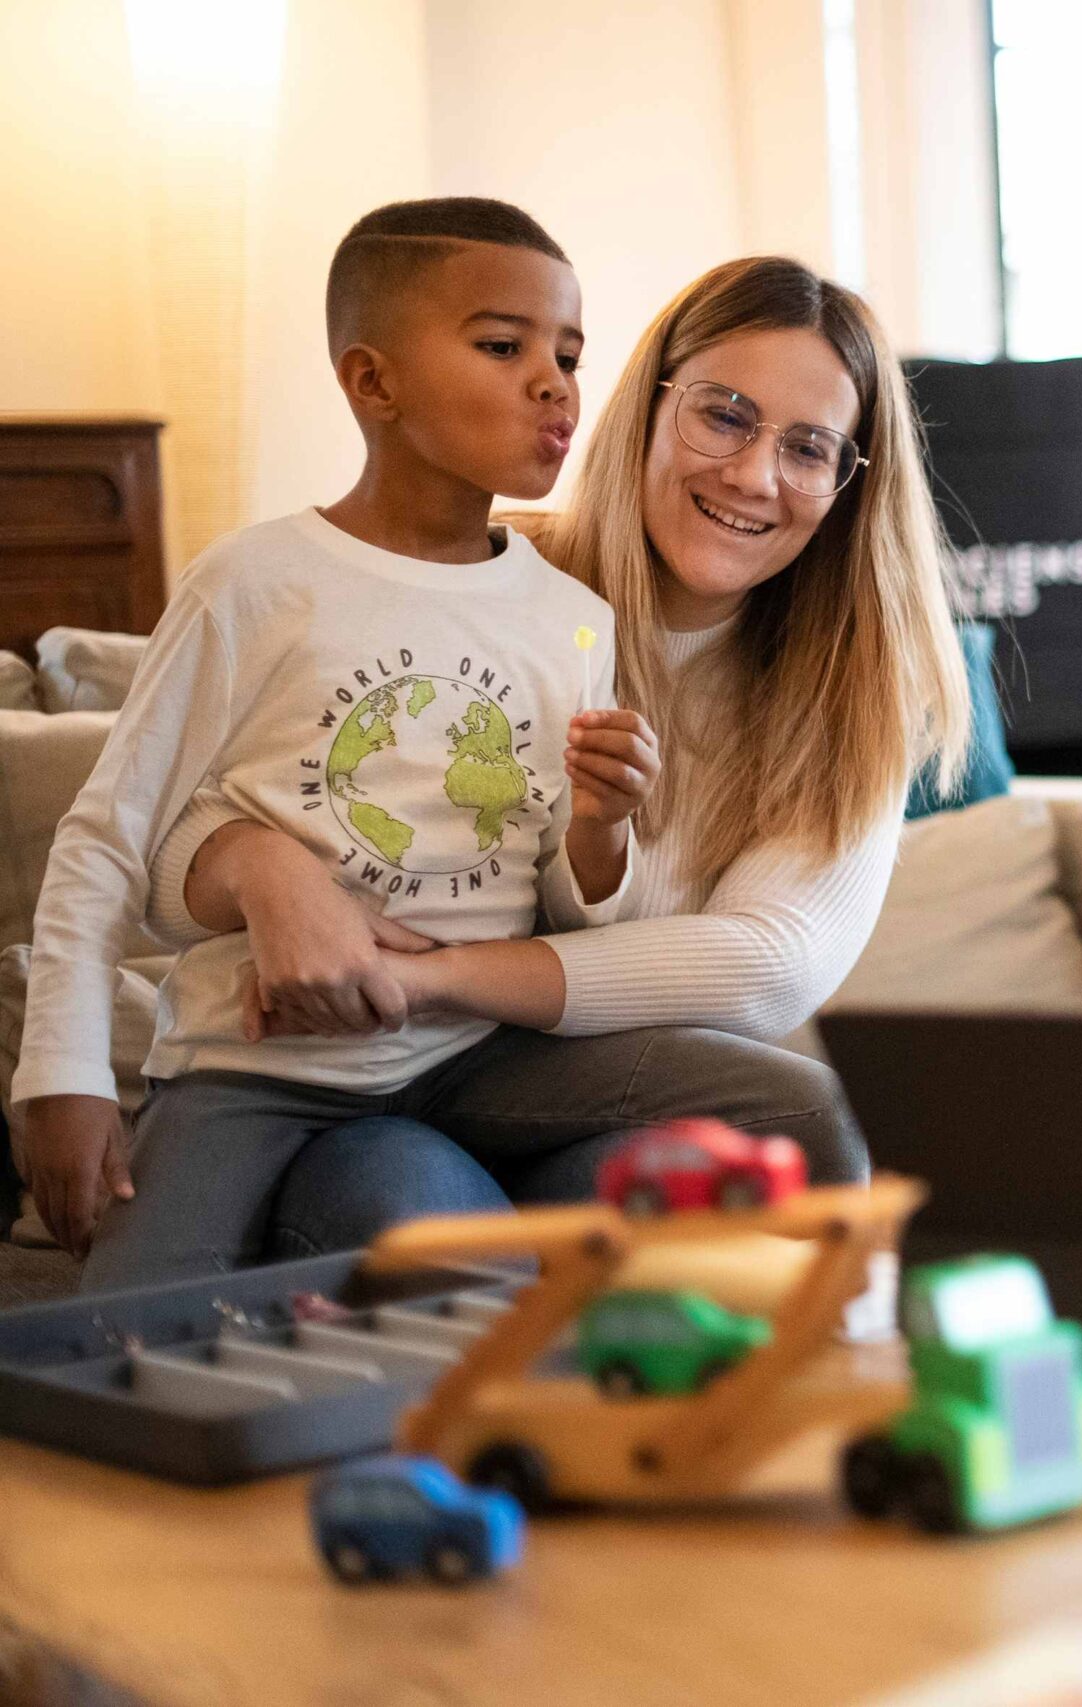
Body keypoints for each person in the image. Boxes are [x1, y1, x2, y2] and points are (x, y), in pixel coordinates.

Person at [152, 253, 974, 1261]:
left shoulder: (848, 694)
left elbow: (768, 966)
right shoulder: (483, 581)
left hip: (591, 1108)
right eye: (722, 415)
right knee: (423, 1212)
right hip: (360, 1095)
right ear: (648, 406)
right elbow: (169, 807)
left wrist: (439, 977)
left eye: (809, 448)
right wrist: (264, 867)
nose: (755, 476)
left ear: (849, 485)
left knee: (760, 1159)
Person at [12, 197, 664, 1288]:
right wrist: (65, 1074)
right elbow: (110, 835)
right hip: (252, 1066)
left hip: (478, 1057)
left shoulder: (572, 617)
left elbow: (555, 899)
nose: (555, 382)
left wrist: (601, 828)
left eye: (568, 352)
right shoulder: (256, 581)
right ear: (373, 382)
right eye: (504, 346)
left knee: (777, 1099)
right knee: (125, 1326)